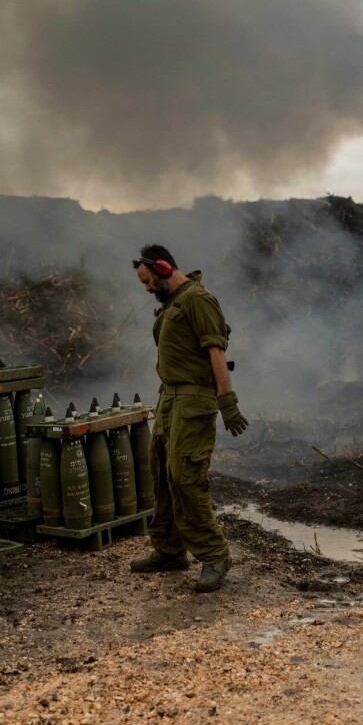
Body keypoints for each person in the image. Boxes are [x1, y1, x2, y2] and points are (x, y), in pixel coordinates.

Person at [129, 244, 250, 593]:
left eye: (149, 281)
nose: (148, 288)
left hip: (194, 399)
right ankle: (169, 551)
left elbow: (216, 351)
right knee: (162, 474)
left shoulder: (198, 298)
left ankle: (214, 555)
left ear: (164, 269)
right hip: (169, 398)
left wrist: (227, 402)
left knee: (185, 476)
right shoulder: (172, 304)